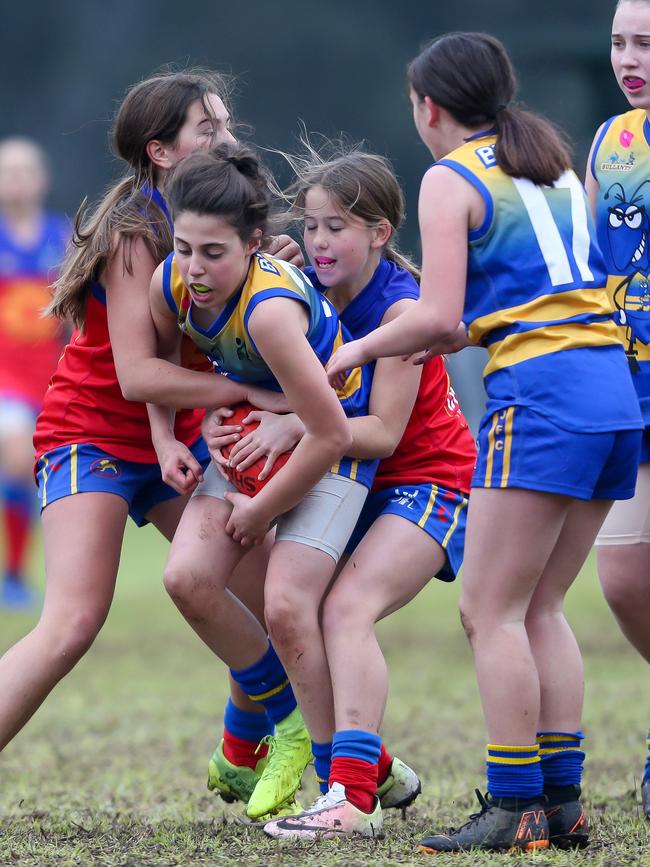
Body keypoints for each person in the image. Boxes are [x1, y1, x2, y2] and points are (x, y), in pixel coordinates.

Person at [327, 32, 644, 853]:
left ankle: (513, 806)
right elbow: (516, 305)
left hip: (541, 401)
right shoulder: (555, 164)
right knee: (541, 606)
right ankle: (563, 803)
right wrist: (455, 332)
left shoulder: (449, 176)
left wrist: (357, 349)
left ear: (428, 108)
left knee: (488, 609)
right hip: (613, 395)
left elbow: (434, 317)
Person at [0, 71, 298, 780]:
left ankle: (242, 741)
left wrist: (282, 275)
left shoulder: (227, 220)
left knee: (269, 596)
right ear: (162, 152)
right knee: (72, 624)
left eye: (226, 123)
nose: (227, 138)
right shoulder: (135, 233)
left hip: (180, 444)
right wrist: (249, 391)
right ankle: (282, 725)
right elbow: (137, 376)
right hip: (92, 435)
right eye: (208, 128)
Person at [208, 145, 475, 839]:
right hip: (354, 484)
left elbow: (385, 432)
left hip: (425, 482)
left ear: (381, 234)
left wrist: (290, 425)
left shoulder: (401, 310)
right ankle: (371, 767)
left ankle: (352, 799)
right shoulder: (306, 292)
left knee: (345, 612)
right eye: (315, 225)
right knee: (288, 611)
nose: (322, 242)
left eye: (339, 228)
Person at [145, 142, 377, 820]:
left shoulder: (271, 311)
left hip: (329, 447)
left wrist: (260, 510)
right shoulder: (174, 280)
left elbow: (332, 429)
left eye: (213, 253)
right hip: (256, 433)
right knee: (186, 578)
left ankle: (343, 789)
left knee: (284, 604)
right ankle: (291, 721)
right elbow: (161, 358)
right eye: (184, 247)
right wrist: (169, 435)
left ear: (252, 244)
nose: (195, 268)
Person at [586, 0, 650, 820]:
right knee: (624, 576)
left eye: (647, 43)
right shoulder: (613, 141)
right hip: (625, 385)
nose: (630, 58)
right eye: (620, 42)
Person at [0, 138, 68, 609]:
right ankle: (15, 576)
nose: (17, 180)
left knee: (48, 471)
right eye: (8, 171)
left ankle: (61, 580)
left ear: (43, 180)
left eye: (26, 170)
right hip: (7, 379)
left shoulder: (63, 236)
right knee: (16, 440)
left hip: (53, 377)